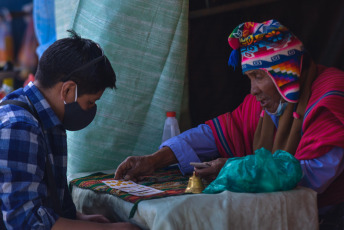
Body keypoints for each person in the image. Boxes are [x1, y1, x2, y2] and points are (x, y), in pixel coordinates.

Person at [115, 19, 344, 214]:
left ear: (286, 73)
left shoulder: (331, 97)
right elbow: (213, 133)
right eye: (249, 78)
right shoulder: (261, 107)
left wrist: (235, 168)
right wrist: (154, 159)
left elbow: (313, 176)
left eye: (258, 76)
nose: (253, 90)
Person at [0, 31, 140, 230]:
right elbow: (25, 222)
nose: (91, 109)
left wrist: (78, 218)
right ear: (67, 90)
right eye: (90, 102)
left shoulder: (49, 120)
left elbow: (48, 201)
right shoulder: (20, 127)